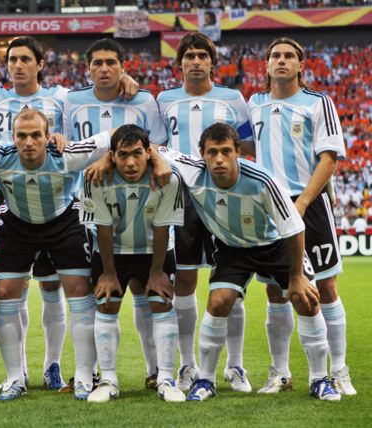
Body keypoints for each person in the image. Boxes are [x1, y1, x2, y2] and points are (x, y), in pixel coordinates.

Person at [0, 36, 141, 391]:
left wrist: (125, 80)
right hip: (13, 198)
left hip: (62, 198)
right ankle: (16, 372)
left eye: (25, 59)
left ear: (40, 64)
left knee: (59, 286)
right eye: (12, 60)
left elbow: (97, 102)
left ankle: (56, 365)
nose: (17, 66)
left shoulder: (63, 97)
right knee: (11, 291)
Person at [160, 123, 340, 402]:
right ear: (201, 154)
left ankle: (320, 379)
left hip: (275, 245)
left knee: (306, 298)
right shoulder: (191, 171)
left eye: (225, 152)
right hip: (233, 248)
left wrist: (295, 277)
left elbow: (294, 228)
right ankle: (206, 380)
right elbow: (151, 148)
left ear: (238, 152)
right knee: (219, 301)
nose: (219, 159)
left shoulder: (262, 180)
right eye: (212, 153)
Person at [0, 109, 115, 401]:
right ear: (12, 138)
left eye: (36, 135)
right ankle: (15, 377)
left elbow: (117, 135)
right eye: (21, 135)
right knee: (7, 292)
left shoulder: (68, 155)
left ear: (49, 137)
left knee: (78, 292)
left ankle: (85, 375)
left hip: (63, 221)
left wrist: (106, 157)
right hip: (17, 223)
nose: (29, 142)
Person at [248, 37, 355, 395]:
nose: (281, 60)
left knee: (325, 286)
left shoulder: (317, 102)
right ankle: (280, 372)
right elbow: (248, 147)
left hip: (307, 204)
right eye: (275, 55)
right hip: (268, 205)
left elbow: (329, 158)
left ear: (300, 65)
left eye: (288, 56)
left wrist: (304, 202)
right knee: (275, 292)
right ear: (266, 65)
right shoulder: (255, 103)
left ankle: (338, 370)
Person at [63, 38, 166, 390]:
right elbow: (68, 147)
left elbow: (158, 148)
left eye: (111, 62)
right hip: (88, 207)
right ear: (87, 67)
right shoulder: (72, 101)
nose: (104, 69)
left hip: (144, 204)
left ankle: (156, 371)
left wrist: (109, 156)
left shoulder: (143, 101)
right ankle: (94, 374)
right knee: (98, 292)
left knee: (146, 290)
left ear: (123, 66)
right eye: (97, 63)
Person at [156, 32, 253, 392]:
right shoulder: (164, 99)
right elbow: (154, 145)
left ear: (213, 62)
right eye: (189, 55)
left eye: (202, 55)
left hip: (223, 199)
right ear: (179, 62)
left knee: (230, 280)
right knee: (184, 282)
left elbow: (246, 146)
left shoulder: (232, 99)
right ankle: (187, 365)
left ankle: (236, 365)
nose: (196, 61)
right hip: (180, 200)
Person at [80, 124, 186, 403]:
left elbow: (163, 228)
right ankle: (108, 380)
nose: (130, 162)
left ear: (148, 153)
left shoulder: (167, 178)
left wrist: (157, 273)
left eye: (137, 154)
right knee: (106, 301)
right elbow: (102, 228)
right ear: (112, 156)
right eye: (123, 155)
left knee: (161, 300)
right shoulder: (96, 178)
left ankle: (165, 377)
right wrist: (108, 273)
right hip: (112, 251)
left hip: (155, 249)